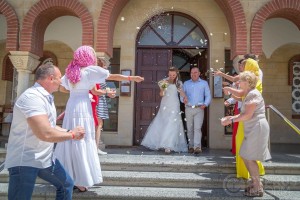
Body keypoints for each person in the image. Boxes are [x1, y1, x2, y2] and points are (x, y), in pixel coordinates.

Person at [54, 45, 144, 192]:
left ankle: (70, 177)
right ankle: (81, 181)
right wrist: (130, 78)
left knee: (71, 139)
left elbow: (63, 88)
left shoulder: (71, 71)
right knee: (83, 138)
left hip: (72, 106)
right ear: (88, 57)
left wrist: (76, 89)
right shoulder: (90, 70)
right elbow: (112, 76)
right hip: (83, 106)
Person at [5, 63, 85, 200]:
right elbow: (45, 133)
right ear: (51, 78)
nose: (62, 81)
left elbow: (50, 126)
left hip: (44, 159)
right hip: (25, 160)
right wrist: (72, 135)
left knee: (67, 184)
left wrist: (68, 131)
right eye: (60, 78)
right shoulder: (32, 97)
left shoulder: (46, 97)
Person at [221, 71, 271, 197]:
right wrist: (231, 117)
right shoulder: (249, 92)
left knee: (249, 157)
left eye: (241, 80)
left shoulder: (253, 94)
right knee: (244, 154)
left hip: (257, 127)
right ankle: (255, 183)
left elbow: (248, 115)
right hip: (253, 127)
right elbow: (240, 96)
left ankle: (257, 187)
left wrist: (230, 120)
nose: (238, 82)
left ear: (247, 82)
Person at [214, 58, 266, 179]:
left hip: (251, 119)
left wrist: (229, 90)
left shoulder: (255, 79)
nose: (242, 68)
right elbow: (242, 96)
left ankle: (254, 181)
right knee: (243, 145)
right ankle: (251, 176)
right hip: (249, 117)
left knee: (246, 147)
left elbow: (244, 94)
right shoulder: (252, 78)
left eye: (244, 65)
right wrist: (231, 94)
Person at [141, 67, 188, 153]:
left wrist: (185, 97)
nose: (172, 76)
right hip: (165, 104)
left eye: (173, 75)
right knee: (163, 122)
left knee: (172, 123)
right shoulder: (164, 81)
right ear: (168, 74)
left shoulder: (178, 83)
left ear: (176, 74)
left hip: (174, 104)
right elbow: (161, 94)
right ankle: (159, 143)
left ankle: (168, 146)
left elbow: (181, 92)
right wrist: (163, 88)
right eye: (170, 75)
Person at [182, 66, 211, 154]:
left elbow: (208, 95)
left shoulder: (204, 83)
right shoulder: (186, 83)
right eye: (192, 73)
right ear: (190, 74)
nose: (193, 74)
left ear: (199, 73)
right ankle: (191, 146)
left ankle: (197, 147)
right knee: (190, 128)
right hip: (189, 108)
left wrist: (205, 104)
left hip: (199, 109)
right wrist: (183, 100)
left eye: (195, 72)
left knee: (197, 128)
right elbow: (182, 95)